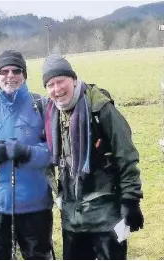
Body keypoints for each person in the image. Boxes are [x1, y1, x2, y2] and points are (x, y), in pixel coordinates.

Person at [42, 54, 144, 259]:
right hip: (73, 216)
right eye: (50, 84)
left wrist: (130, 199)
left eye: (60, 81)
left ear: (73, 79)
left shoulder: (100, 108)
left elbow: (126, 154)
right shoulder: (51, 112)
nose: (57, 89)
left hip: (106, 214)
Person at [0, 50, 54, 260]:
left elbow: (54, 151)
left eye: (16, 70)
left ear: (24, 74)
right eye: (4, 71)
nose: (10, 76)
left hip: (34, 203)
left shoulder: (41, 106)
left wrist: (27, 152)